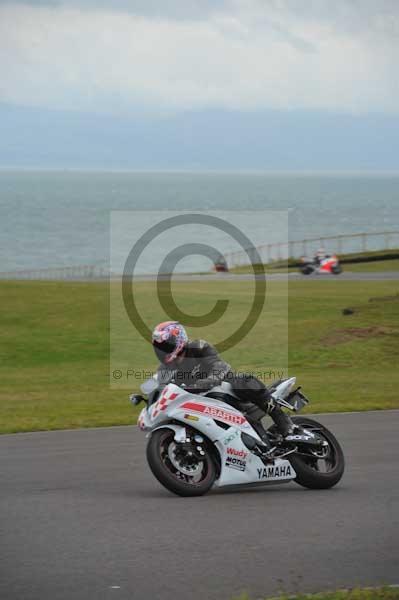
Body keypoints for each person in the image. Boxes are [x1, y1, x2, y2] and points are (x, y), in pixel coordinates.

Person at [151, 320, 303, 451]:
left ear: (178, 340)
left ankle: (284, 423)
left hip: (226, 391)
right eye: (160, 347)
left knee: (242, 381)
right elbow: (162, 389)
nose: (162, 351)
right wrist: (151, 398)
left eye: (166, 345)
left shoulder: (198, 347)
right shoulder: (164, 370)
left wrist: (208, 381)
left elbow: (220, 366)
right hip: (200, 403)